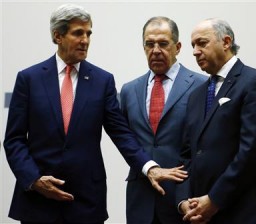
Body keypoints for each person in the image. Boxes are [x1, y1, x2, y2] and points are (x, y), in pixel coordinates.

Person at [3, 4, 188, 224]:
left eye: (88, 33)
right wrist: (33, 179)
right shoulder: (29, 79)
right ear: (58, 36)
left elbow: (121, 133)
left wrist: (149, 168)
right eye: (78, 33)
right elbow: (14, 140)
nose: (85, 40)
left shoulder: (102, 81)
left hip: (85, 202)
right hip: (38, 200)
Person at [177, 18, 256, 224]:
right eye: (193, 45)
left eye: (202, 43)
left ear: (226, 42)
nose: (195, 51)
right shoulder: (196, 95)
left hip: (245, 212)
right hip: (201, 214)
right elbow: (187, 154)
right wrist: (182, 200)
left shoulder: (255, 82)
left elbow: (253, 152)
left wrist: (214, 199)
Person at [120, 16, 207, 224]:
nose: (156, 50)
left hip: (185, 197)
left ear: (177, 47)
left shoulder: (202, 85)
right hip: (140, 197)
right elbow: (124, 138)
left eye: (163, 44)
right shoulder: (129, 90)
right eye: (149, 44)